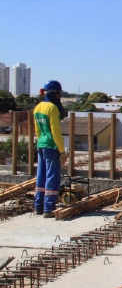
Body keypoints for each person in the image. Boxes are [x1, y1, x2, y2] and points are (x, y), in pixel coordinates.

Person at [34, 80, 67, 218]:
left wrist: (41, 142)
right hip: (51, 146)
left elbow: (38, 130)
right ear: (56, 93)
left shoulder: (38, 107)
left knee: (41, 175)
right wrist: (62, 151)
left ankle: (38, 206)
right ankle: (49, 208)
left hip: (41, 144)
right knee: (52, 176)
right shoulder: (52, 108)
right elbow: (55, 131)